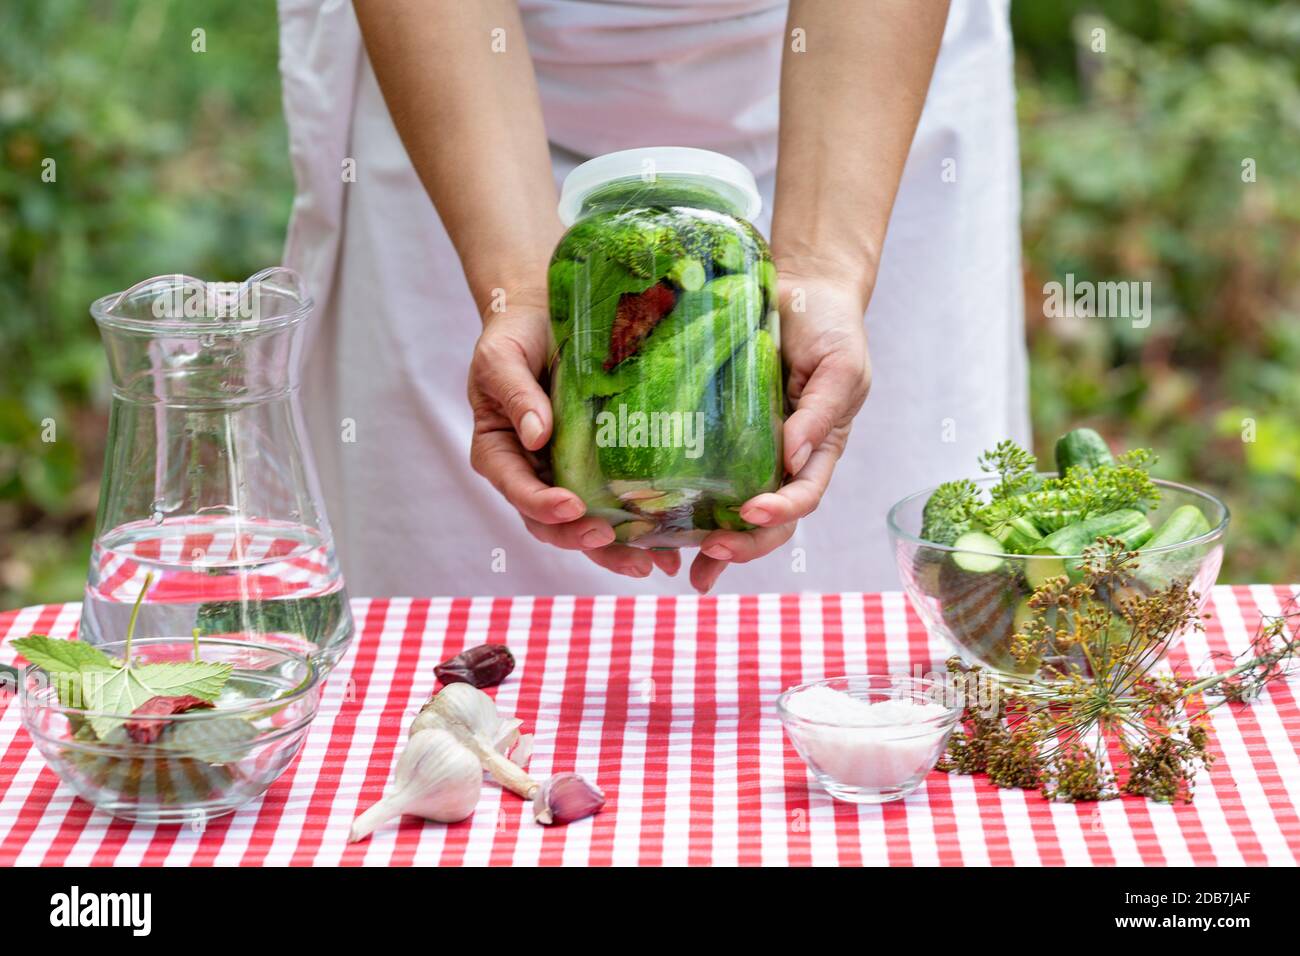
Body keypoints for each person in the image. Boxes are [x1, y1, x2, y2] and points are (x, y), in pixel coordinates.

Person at [277, 0, 1028, 597]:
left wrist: (824, 270)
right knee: (454, 600)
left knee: (874, 587)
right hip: (460, 89)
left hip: (858, 81)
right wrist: (520, 288)